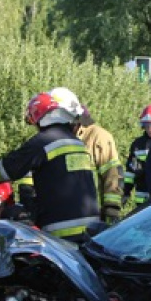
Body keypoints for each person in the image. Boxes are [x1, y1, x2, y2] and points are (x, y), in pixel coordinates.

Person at [0, 92, 100, 243]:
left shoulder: (43, 141)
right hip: (92, 228)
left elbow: (10, 167)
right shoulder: (77, 143)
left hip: (61, 231)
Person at [49, 87, 124, 223]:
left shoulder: (98, 136)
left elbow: (111, 173)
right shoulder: (55, 135)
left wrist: (111, 209)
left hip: (90, 212)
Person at [124, 103, 151, 205]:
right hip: (142, 198)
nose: (150, 129)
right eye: (147, 126)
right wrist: (126, 191)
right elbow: (130, 172)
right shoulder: (138, 144)